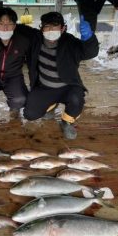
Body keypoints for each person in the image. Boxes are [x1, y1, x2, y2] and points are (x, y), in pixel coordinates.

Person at [19, 11, 99, 140]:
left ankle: (67, 122)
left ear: (63, 29)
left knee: (76, 100)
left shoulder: (70, 42)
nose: (50, 30)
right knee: (30, 114)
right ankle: (51, 105)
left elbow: (89, 53)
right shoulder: (36, 38)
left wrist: (89, 38)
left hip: (68, 87)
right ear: (42, 28)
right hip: (44, 87)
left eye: (55, 26)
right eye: (47, 26)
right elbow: (16, 28)